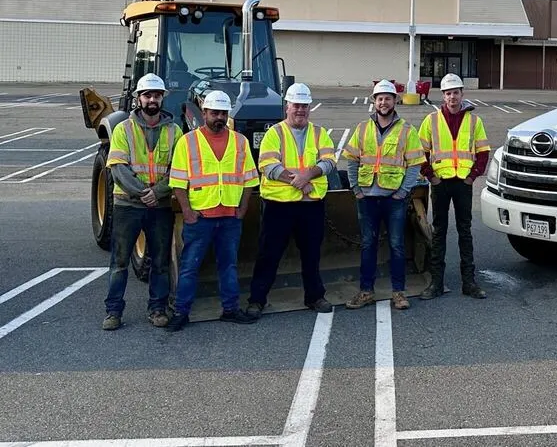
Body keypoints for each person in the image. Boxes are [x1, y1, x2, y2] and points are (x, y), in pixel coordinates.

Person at [166, 90, 259, 332]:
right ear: (204, 113)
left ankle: (230, 309)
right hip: (201, 218)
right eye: (214, 113)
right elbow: (177, 182)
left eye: (223, 113)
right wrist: (187, 211)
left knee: (228, 265)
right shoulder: (187, 142)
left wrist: (242, 208)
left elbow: (249, 179)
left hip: (230, 217)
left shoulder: (240, 141)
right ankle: (181, 312)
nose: (219, 117)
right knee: (190, 266)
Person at [245, 83, 338, 318]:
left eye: (305, 106)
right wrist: (298, 181)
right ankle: (257, 300)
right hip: (279, 206)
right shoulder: (274, 133)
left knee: (311, 254)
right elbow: (267, 165)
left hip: (311, 206)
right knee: (269, 254)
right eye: (296, 105)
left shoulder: (320, 133)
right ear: (287, 106)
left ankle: (315, 297)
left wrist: (308, 175)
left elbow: (329, 161)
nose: (300, 110)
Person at [101, 73, 181, 331]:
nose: (152, 100)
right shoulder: (123, 129)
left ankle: (157, 309)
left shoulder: (175, 131)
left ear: (162, 98)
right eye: (147, 95)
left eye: (157, 95)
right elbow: (118, 168)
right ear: (138, 98)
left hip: (160, 206)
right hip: (128, 205)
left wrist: (156, 193)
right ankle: (113, 311)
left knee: (159, 262)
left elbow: (178, 171)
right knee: (120, 262)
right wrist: (142, 193)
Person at [342, 80, 425, 311]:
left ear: (395, 101)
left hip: (394, 199)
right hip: (367, 198)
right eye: (379, 98)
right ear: (374, 101)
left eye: (388, 98)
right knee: (368, 245)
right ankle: (366, 291)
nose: (383, 102)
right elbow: (351, 160)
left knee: (397, 245)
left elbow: (415, 164)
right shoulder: (362, 129)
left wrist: (403, 192)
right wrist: (356, 189)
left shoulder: (407, 130)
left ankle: (398, 292)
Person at [417, 73, 492, 300]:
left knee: (465, 231)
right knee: (439, 232)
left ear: (462, 94)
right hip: (440, 183)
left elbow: (483, 151)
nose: (452, 97)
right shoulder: (431, 120)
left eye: (456, 92)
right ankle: (436, 283)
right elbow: (419, 153)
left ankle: (468, 282)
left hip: (463, 183)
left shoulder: (473, 121)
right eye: (448, 93)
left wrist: (472, 176)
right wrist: (431, 176)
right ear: (443, 96)